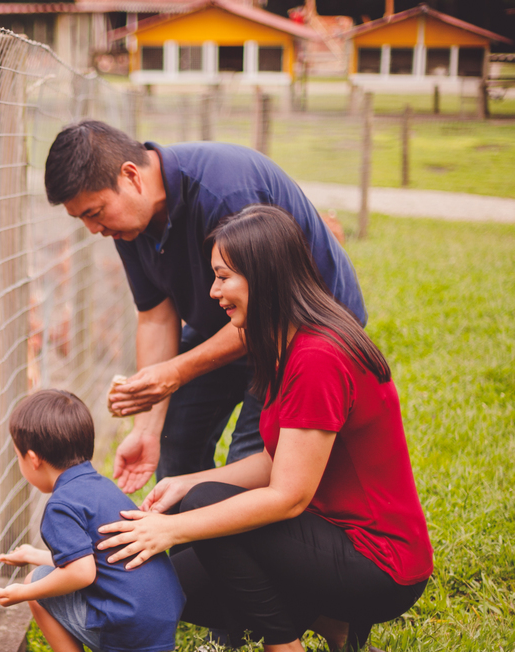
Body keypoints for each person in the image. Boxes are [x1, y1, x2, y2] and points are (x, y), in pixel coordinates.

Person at [95, 205, 432, 652]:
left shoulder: (318, 357)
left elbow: (288, 497)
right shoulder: (288, 342)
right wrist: (189, 480)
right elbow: (280, 461)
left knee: (200, 511)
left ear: (265, 276)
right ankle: (334, 624)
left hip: (380, 564)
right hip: (335, 540)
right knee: (176, 586)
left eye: (223, 277)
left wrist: (174, 525)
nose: (214, 292)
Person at [44, 120, 368, 493]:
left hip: (300, 330)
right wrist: (147, 428)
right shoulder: (129, 222)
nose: (93, 229)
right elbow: (155, 316)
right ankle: (187, 545)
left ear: (131, 176)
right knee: (175, 439)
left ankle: (235, 543)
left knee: (249, 464)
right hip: (229, 321)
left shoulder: (227, 193)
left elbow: (267, 312)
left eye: (95, 212)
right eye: (82, 217)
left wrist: (177, 371)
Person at [0, 389, 185, 652]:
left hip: (129, 624)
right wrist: (36, 554)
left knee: (37, 585)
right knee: (46, 573)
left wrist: (24, 593)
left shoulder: (60, 506)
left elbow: (81, 573)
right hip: (159, 615)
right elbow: (96, 559)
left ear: (33, 460)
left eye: (17, 455)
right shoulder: (101, 487)